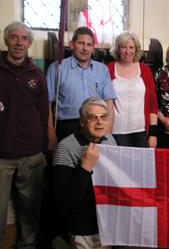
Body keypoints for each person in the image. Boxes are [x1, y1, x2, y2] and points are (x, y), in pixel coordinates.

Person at [0, 21, 48, 248]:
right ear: (6, 40)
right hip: (2, 156)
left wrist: (44, 147)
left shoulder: (37, 74)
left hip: (31, 154)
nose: (19, 43)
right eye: (14, 37)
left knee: (30, 209)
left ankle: (27, 246)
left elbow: (43, 112)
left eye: (24, 39)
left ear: (29, 43)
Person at [53, 97, 116, 249]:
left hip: (108, 225)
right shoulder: (66, 147)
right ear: (82, 122)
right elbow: (63, 200)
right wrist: (85, 167)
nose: (99, 122)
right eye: (93, 118)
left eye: (103, 117)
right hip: (82, 227)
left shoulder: (110, 140)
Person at [46, 26, 116, 148]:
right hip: (67, 127)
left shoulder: (102, 70)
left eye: (89, 44)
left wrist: (107, 133)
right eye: (81, 43)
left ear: (93, 48)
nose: (85, 48)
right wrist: (50, 135)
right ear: (72, 44)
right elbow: (46, 105)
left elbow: (109, 103)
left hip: (96, 125)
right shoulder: (57, 68)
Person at [107, 31, 158, 148]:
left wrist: (153, 134)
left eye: (131, 47)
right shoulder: (109, 68)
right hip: (117, 131)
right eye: (123, 47)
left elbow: (152, 102)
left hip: (141, 131)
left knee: (142, 165)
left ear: (136, 49)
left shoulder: (145, 70)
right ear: (117, 48)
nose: (127, 51)